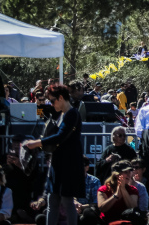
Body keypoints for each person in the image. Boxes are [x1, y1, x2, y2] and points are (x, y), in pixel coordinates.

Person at [23, 84, 86, 225]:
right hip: (59, 162)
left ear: (61, 97)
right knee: (52, 200)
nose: (51, 104)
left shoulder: (72, 113)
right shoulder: (62, 114)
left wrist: (36, 143)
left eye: (52, 101)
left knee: (67, 200)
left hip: (68, 163)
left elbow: (60, 136)